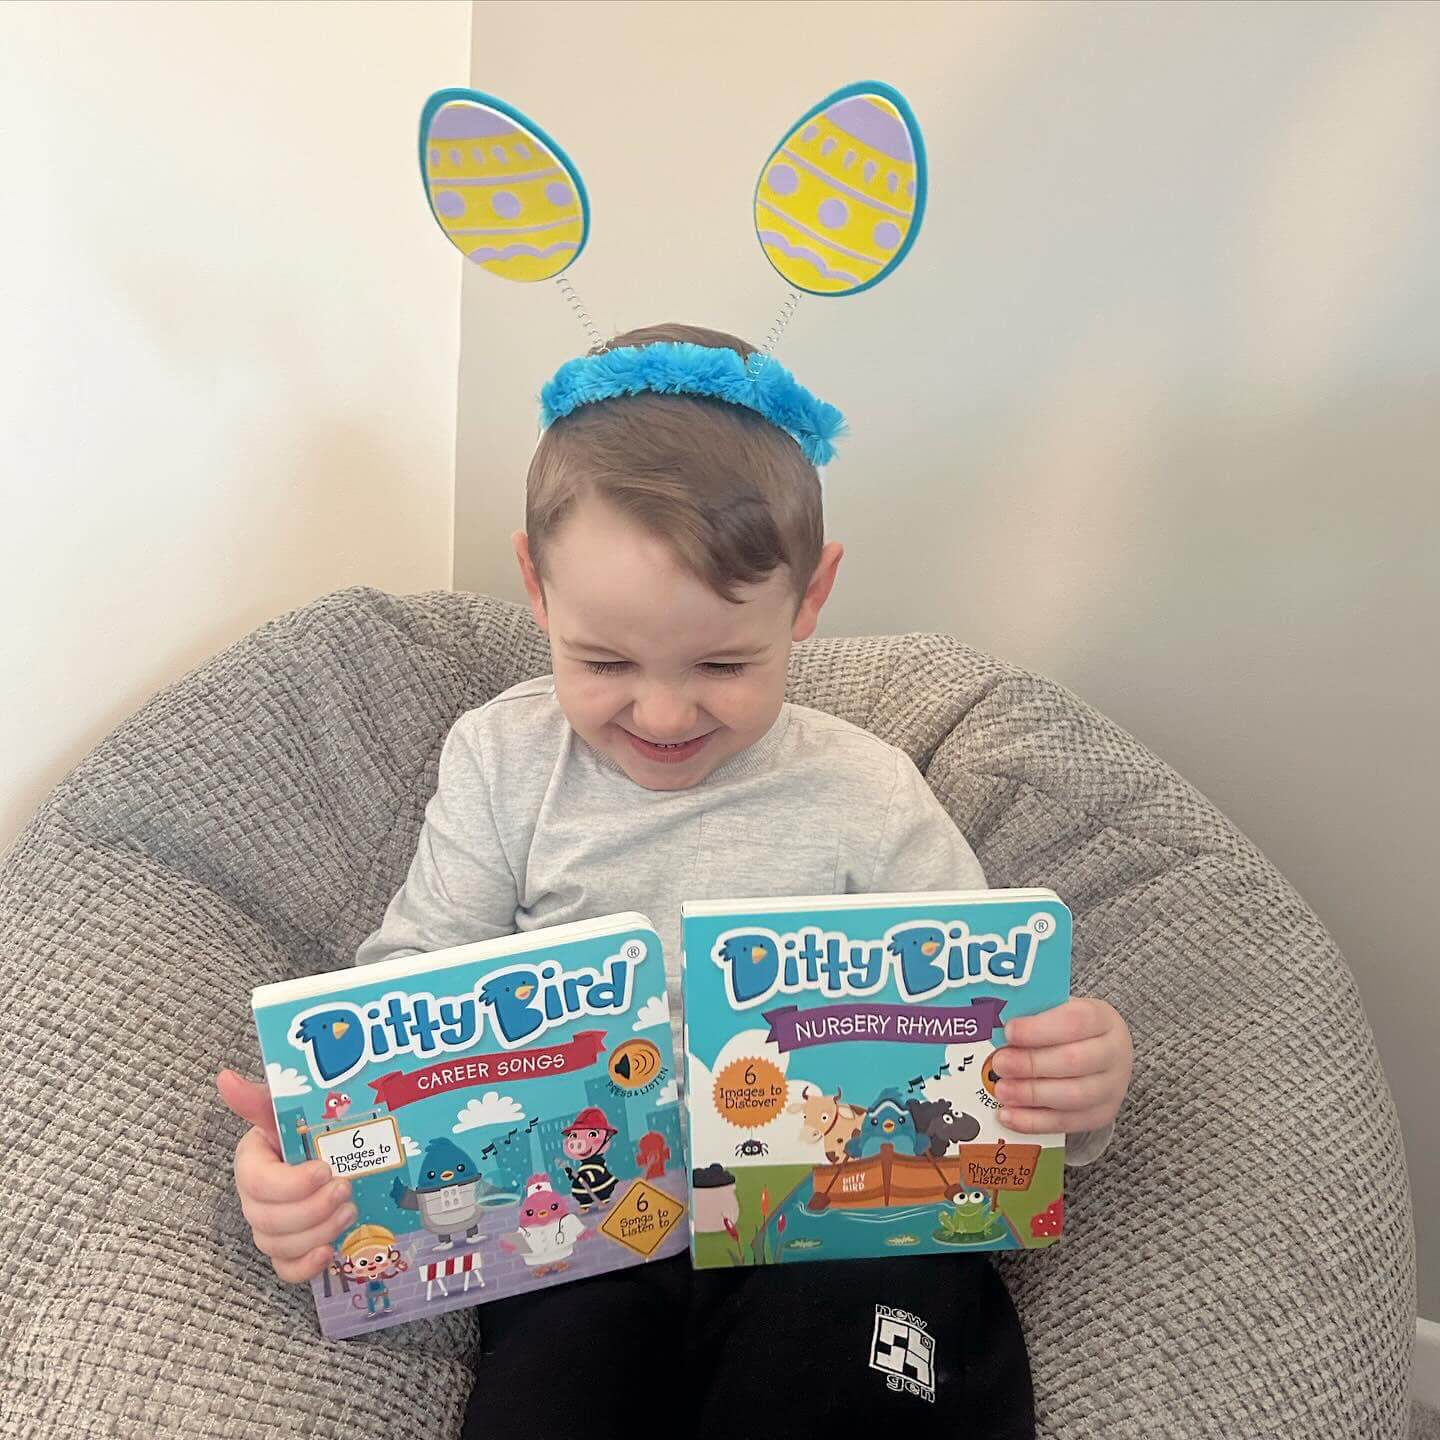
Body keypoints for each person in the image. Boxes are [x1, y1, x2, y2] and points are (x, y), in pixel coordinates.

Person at [218, 322, 1133, 1437]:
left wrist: (1074, 1079)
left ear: (808, 597)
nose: (660, 714)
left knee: (853, 1385)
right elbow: (410, 993)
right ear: (535, 586)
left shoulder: (871, 792)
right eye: (603, 662)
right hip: (595, 1242)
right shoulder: (500, 761)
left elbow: (987, 1033)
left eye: (723, 665)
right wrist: (319, 1144)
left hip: (832, 1226)